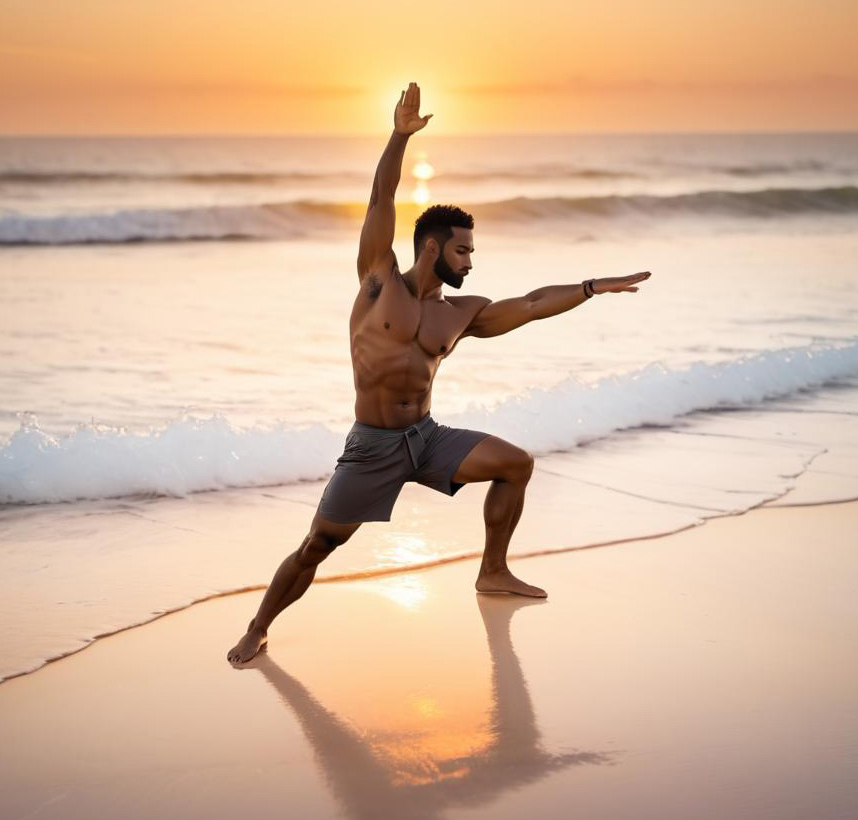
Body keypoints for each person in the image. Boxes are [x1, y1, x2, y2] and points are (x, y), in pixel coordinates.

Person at [228, 82, 651, 666]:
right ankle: (258, 627)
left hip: (425, 439)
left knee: (515, 464)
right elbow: (380, 198)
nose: (471, 261)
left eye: (472, 253)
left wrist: (589, 288)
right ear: (431, 249)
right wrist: (398, 138)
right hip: (372, 447)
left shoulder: (461, 312)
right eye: (463, 252)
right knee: (317, 547)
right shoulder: (378, 281)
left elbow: (529, 304)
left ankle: (493, 571)